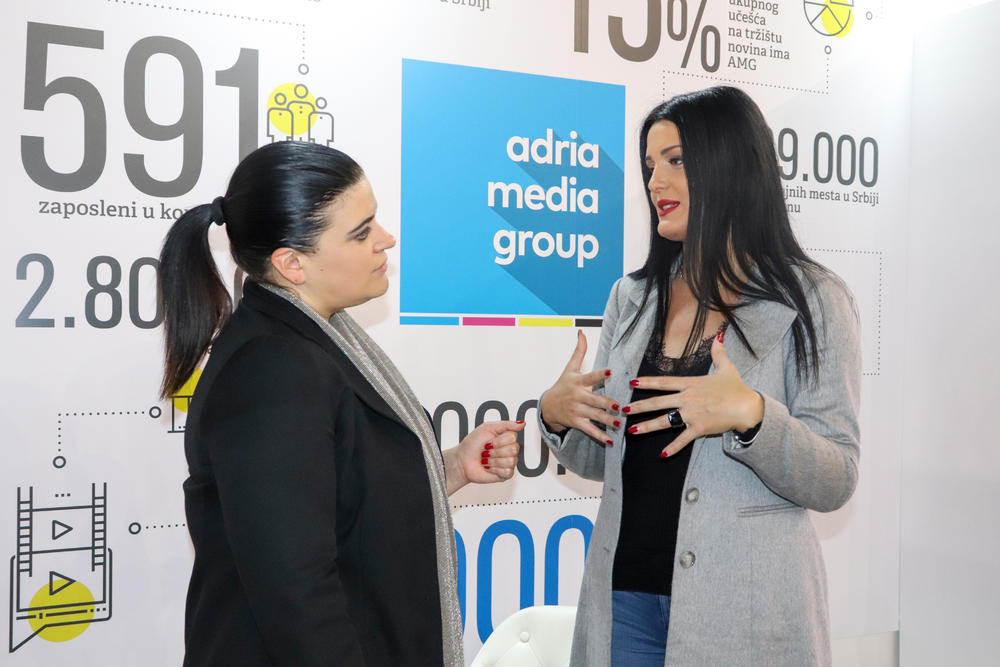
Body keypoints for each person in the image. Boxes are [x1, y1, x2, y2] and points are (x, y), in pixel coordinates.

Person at [158, 141, 523, 667]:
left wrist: (450, 467)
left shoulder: (316, 341)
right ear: (292, 263)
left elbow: (337, 502)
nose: (387, 239)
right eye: (361, 232)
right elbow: (296, 592)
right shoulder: (273, 369)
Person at [537, 86, 860, 666]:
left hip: (744, 612)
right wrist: (559, 417)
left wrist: (754, 417)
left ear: (730, 165)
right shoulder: (630, 297)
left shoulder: (814, 299)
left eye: (676, 160)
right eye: (650, 165)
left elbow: (836, 478)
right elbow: (604, 459)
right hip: (624, 602)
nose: (654, 182)